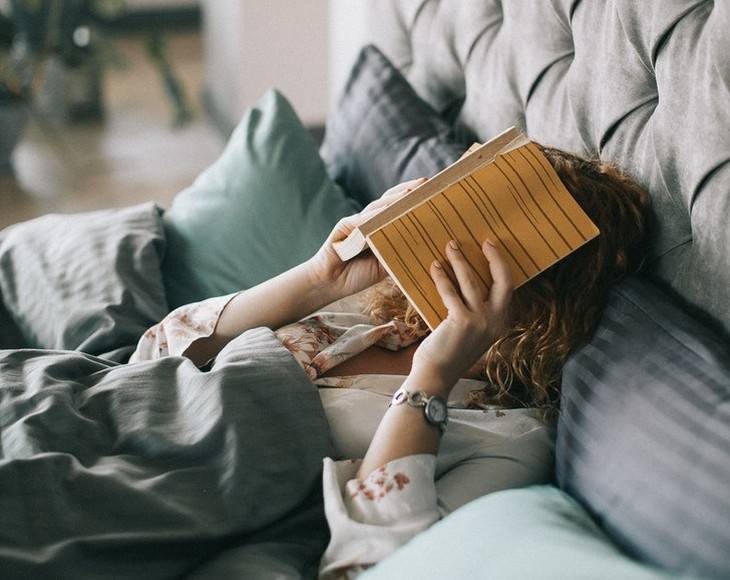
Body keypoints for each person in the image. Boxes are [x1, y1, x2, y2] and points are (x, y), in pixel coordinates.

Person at [131, 145, 650, 578]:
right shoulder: (377, 319)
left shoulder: (511, 441)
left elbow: (369, 564)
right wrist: (317, 281)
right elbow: (157, 349)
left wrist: (434, 376)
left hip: (157, 497)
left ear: (548, 293)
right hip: (106, 413)